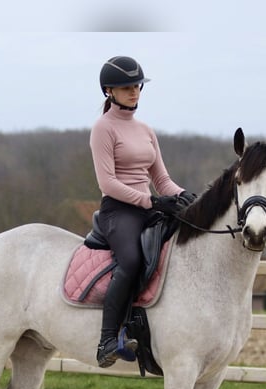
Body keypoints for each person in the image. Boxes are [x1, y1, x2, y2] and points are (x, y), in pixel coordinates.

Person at [90, 55, 190, 368]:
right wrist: (152, 202)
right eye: (126, 87)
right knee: (131, 260)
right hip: (118, 211)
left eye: (137, 86)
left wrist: (185, 197)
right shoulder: (103, 129)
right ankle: (107, 340)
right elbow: (107, 183)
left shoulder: (146, 130)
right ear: (109, 90)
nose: (134, 92)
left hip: (147, 206)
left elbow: (161, 179)